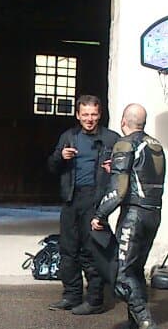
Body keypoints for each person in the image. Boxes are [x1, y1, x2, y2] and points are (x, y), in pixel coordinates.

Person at [89, 103, 167, 329]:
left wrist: (100, 215)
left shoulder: (124, 143)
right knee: (136, 269)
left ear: (124, 121)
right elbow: (142, 176)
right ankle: (134, 326)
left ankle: (146, 325)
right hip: (153, 213)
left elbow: (119, 189)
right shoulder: (156, 144)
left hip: (133, 214)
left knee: (123, 273)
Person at [45, 95, 115, 314]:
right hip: (71, 198)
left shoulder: (112, 139)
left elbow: (127, 172)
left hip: (95, 200)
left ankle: (95, 300)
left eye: (94, 114)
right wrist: (60, 156)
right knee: (68, 250)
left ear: (100, 114)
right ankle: (71, 296)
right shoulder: (69, 137)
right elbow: (51, 168)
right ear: (78, 115)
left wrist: (115, 169)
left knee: (91, 251)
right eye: (85, 114)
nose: (90, 119)